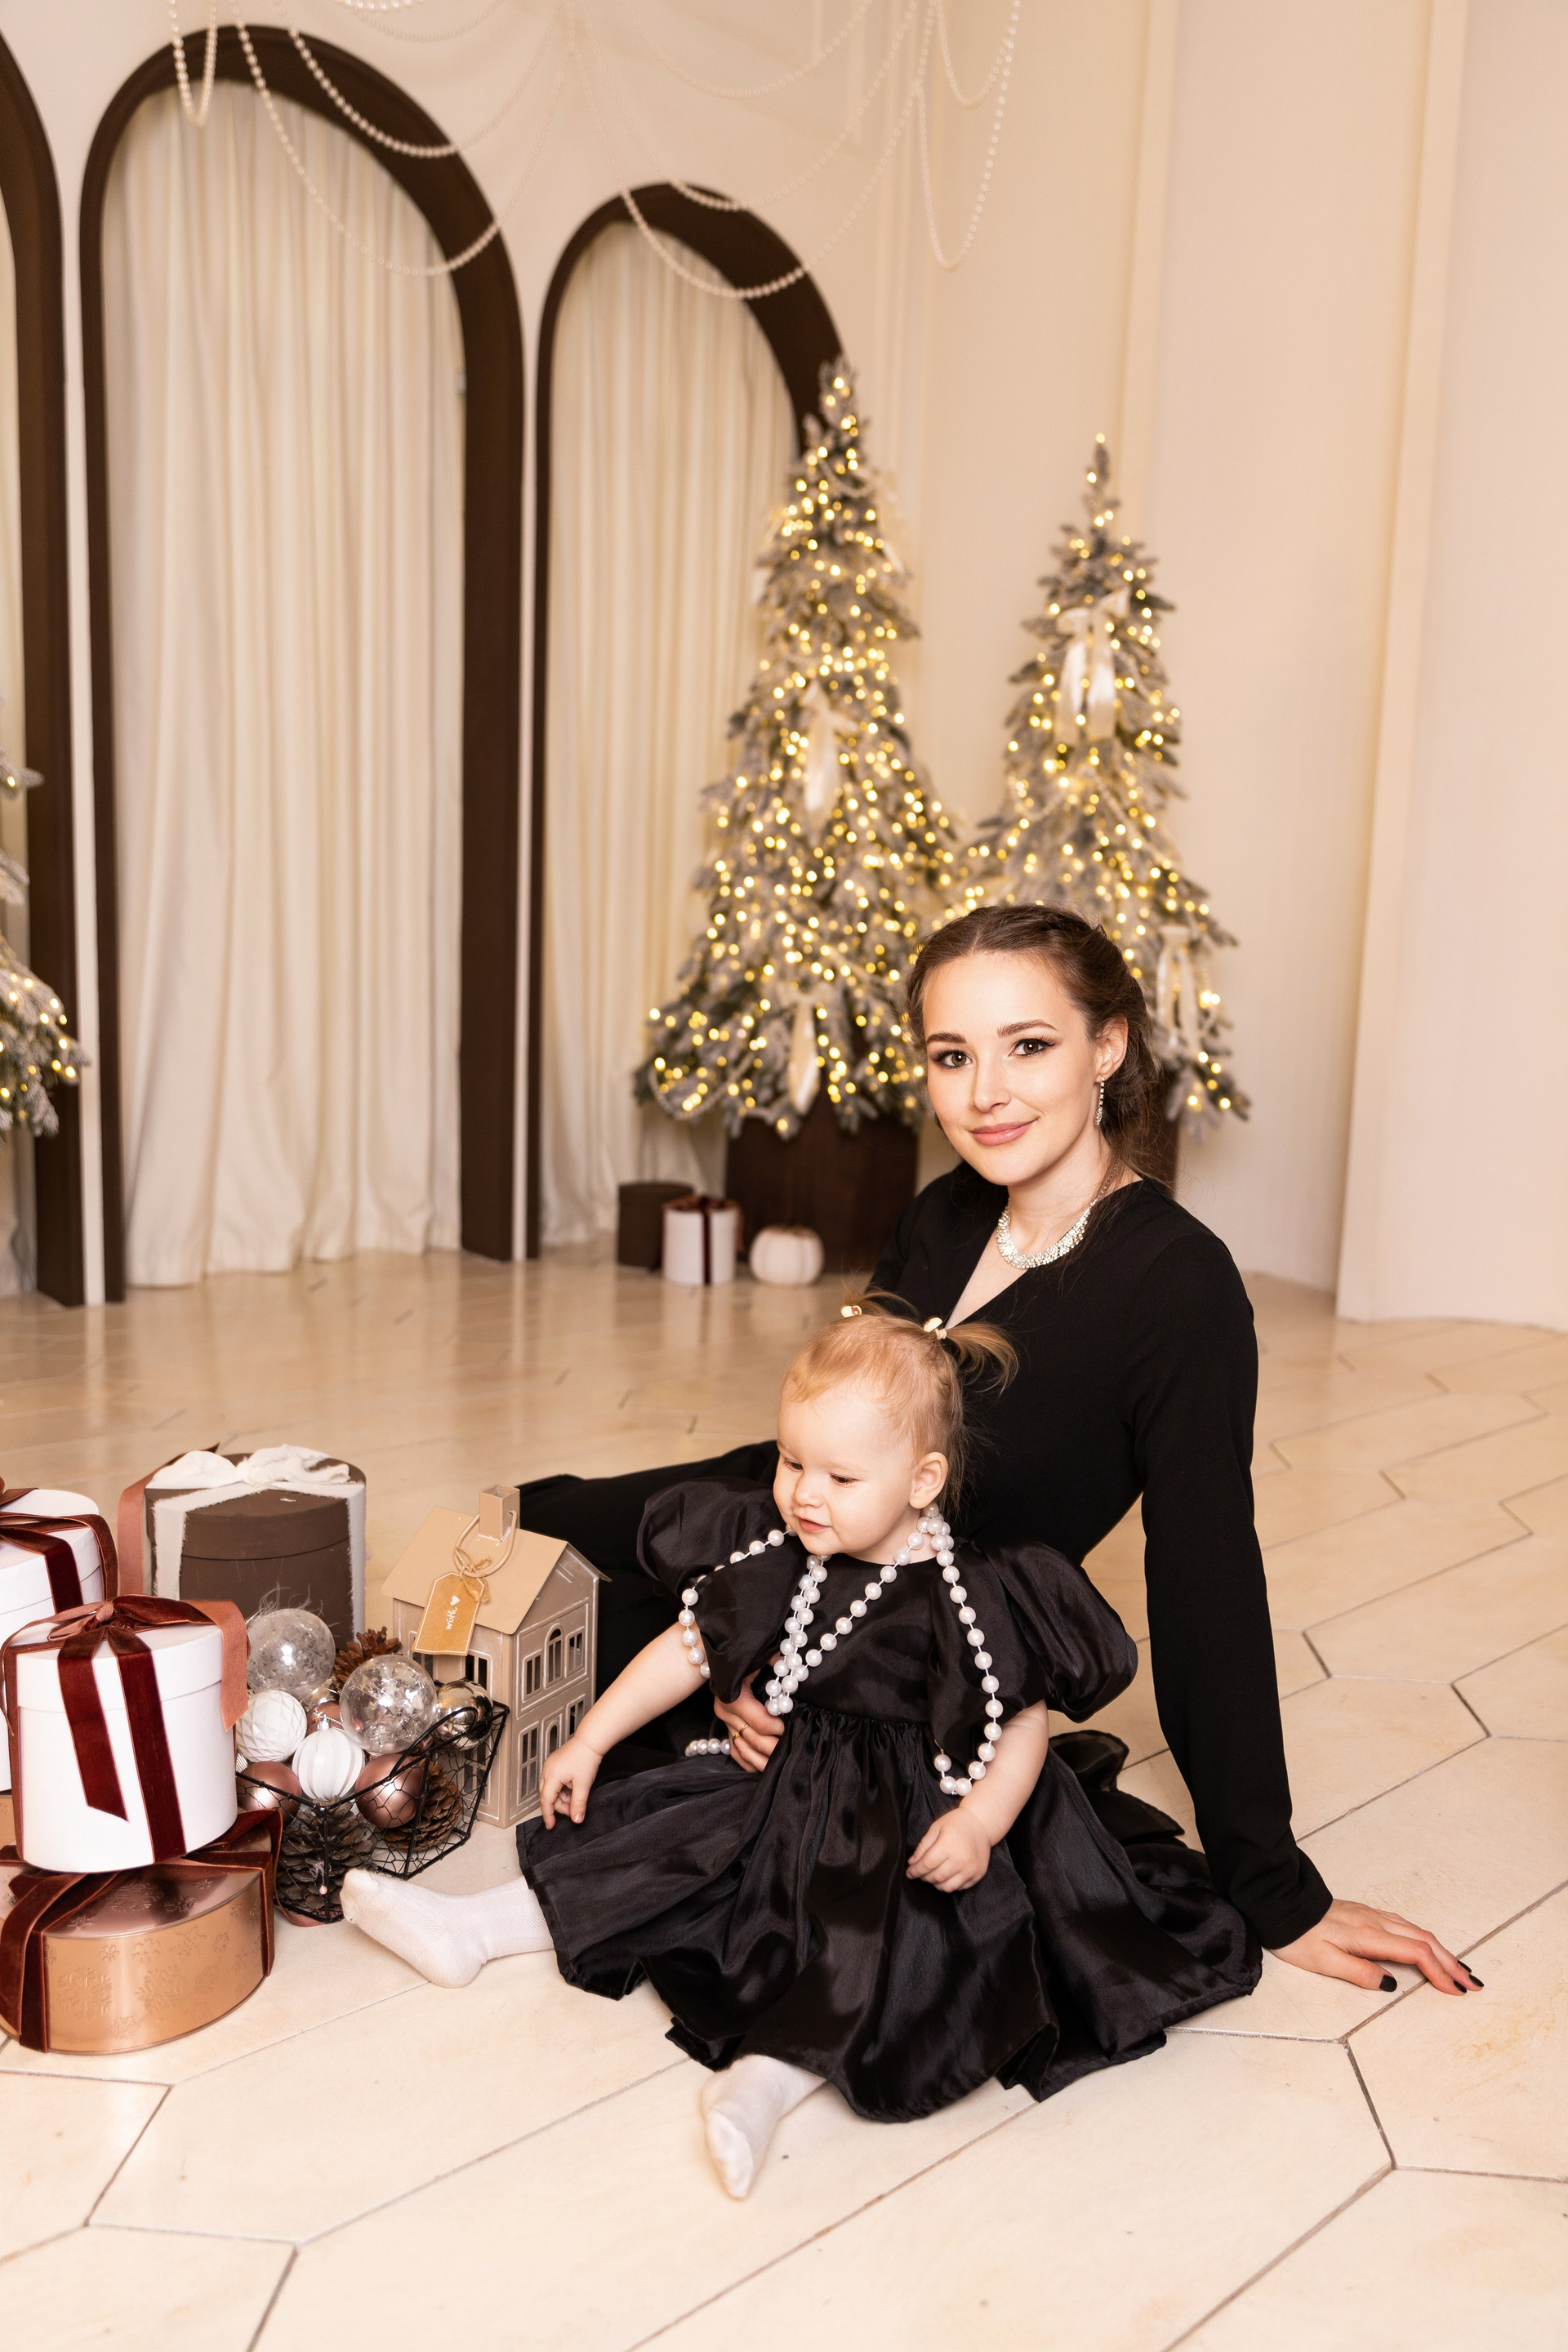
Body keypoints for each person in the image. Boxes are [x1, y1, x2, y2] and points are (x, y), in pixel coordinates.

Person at [506, 904, 1481, 2002]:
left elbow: (1207, 1581)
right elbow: (849, 1420)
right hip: (793, 1526)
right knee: (539, 1527)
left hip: (906, 1634)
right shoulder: (946, 1211)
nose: (985, 1095)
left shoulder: (1178, 1287)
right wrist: (741, 1645)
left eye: (1029, 1046)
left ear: (1107, 1047)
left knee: (589, 1652)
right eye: (952, 1056)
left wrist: (1273, 1886)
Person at [344, 1304, 1260, 2197]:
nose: (804, 1494)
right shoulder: (789, 1556)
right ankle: (475, 1929)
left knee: (885, 1939)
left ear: (923, 1480)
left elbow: (1023, 1727)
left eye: (840, 1477)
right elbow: (686, 1647)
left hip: (919, 1818)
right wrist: (590, 1738)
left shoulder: (972, 1593)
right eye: (790, 1462)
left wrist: (981, 1824)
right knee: (669, 1841)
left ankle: (764, 2084)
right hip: (792, 1789)